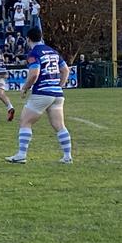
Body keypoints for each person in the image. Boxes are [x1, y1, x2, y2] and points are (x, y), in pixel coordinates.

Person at [6, 28, 73, 164]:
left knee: (25, 121)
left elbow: (34, 74)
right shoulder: (53, 51)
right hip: (57, 93)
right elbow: (65, 70)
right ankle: (67, 156)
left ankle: (21, 155)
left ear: (28, 39)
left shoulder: (33, 53)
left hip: (42, 92)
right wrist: (59, 85)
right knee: (59, 125)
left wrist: (25, 88)